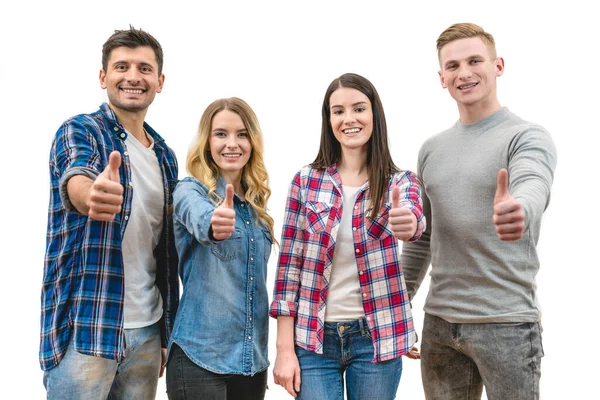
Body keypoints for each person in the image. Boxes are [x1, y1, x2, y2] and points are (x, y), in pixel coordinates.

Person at [401, 23, 557, 400]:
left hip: (505, 325)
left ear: (498, 65)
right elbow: (424, 236)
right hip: (439, 324)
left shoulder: (526, 137)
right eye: (453, 66)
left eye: (475, 61)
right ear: (442, 78)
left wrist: (520, 209)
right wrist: (400, 301)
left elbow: (533, 183)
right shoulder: (431, 149)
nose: (464, 73)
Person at [40, 26, 179, 399]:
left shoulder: (165, 156)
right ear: (104, 77)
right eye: (122, 66)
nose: (133, 76)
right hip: (87, 327)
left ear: (159, 81)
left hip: (148, 332)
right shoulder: (80, 131)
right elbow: (78, 175)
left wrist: (166, 331)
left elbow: (163, 252)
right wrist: (92, 195)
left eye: (144, 68)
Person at [270, 73, 425, 400]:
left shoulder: (401, 183)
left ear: (374, 115)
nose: (348, 119)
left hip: (376, 338)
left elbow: (413, 219)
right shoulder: (306, 181)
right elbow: (288, 272)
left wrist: (407, 223)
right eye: (338, 111)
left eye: (358, 109)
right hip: (313, 341)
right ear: (328, 120)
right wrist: (284, 350)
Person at [165, 97, 273, 400]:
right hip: (200, 359)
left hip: (250, 365)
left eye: (242, 134)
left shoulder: (257, 208)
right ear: (207, 141)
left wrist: (254, 357)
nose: (232, 143)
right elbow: (201, 219)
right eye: (221, 134)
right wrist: (216, 223)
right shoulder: (189, 190)